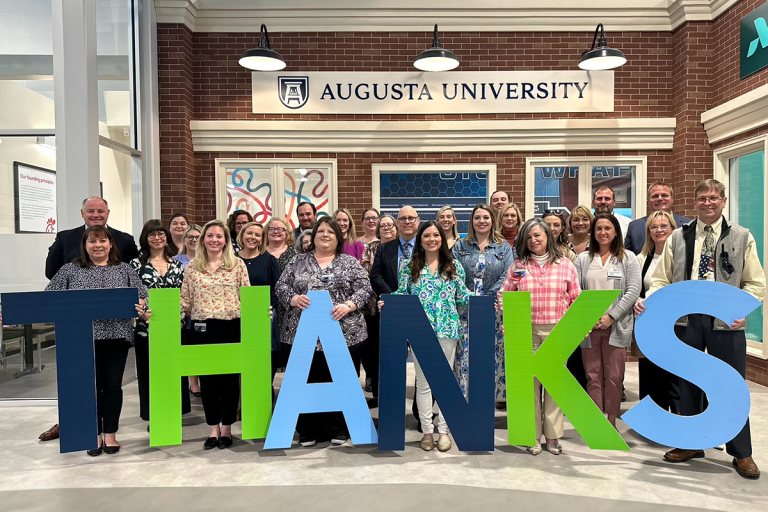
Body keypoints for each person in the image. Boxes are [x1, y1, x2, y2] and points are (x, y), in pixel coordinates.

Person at [637, 179, 766, 479]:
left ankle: (741, 452)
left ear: (723, 201)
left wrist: (740, 309)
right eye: (702, 199)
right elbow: (660, 279)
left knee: (730, 386)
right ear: (695, 202)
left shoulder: (742, 236)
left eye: (713, 198)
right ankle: (691, 443)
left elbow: (756, 283)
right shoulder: (678, 237)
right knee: (686, 384)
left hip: (724, 320)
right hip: (686, 318)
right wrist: (653, 303)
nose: (708, 203)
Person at [39, 196, 139, 443]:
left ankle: (111, 434)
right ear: (84, 244)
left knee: (113, 386)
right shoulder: (70, 270)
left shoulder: (125, 269)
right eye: (92, 241)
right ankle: (92, 434)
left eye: (102, 240)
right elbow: (48, 299)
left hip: (117, 336)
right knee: (89, 387)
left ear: (110, 244)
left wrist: (143, 307)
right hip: (82, 338)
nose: (97, 245)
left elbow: (142, 296)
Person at [276, 217, 373, 447]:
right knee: (308, 381)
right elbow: (281, 286)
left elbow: (365, 288)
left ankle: (338, 428)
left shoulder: (349, 262)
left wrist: (348, 305)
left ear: (338, 238)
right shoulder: (298, 261)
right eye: (321, 231)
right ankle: (307, 430)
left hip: (344, 333)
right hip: (302, 333)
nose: (326, 235)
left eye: (331, 231)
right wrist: (293, 298)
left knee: (340, 381)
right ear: (314, 236)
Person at [384, 221, 472, 452]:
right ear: (420, 240)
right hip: (420, 331)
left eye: (436, 235)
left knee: (445, 383)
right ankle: (427, 431)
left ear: (442, 239)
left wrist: (484, 299)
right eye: (427, 236)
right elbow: (402, 293)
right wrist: (387, 300)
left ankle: (444, 430)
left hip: (447, 331)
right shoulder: (410, 266)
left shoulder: (454, 266)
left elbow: (462, 297)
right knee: (423, 384)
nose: (432, 239)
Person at [498, 218, 580, 455]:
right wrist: (509, 321)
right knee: (529, 385)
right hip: (526, 331)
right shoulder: (517, 267)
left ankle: (552, 437)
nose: (533, 240)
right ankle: (531, 436)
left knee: (554, 387)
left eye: (538, 235)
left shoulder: (565, 265)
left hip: (557, 330)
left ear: (548, 237)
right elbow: (503, 296)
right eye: (529, 237)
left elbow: (576, 299)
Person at [179, 220, 251, 450]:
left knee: (229, 380)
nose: (214, 240)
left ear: (226, 241)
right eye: (209, 235)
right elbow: (184, 299)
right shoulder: (192, 267)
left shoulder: (238, 265)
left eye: (219, 236)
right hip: (202, 329)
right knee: (208, 381)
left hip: (231, 327)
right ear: (203, 240)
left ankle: (227, 428)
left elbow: (247, 296)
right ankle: (213, 428)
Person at [574, 213, 641, 429]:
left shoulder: (627, 257)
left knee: (613, 377)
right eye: (599, 229)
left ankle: (611, 420)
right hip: (589, 326)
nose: (603, 233)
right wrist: (588, 317)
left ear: (615, 232)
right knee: (592, 375)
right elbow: (576, 291)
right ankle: (596, 422)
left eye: (607, 229)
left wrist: (611, 316)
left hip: (616, 326)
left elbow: (632, 291)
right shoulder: (583, 259)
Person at [452, 204, 515, 405]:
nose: (482, 221)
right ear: (472, 221)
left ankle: (486, 402)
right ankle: (463, 399)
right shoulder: (460, 246)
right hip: (464, 308)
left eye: (486, 217)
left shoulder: (503, 247)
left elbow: (508, 274)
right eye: (477, 217)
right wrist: (468, 295)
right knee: (465, 355)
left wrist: (488, 296)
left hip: (492, 308)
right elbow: (452, 272)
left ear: (492, 221)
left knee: (490, 355)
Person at [130, 220, 191, 427]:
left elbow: (184, 295)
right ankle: (155, 416)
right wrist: (142, 315)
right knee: (150, 373)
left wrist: (181, 320)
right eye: (152, 234)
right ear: (145, 238)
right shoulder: (136, 265)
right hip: (147, 329)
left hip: (174, 328)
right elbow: (132, 297)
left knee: (173, 370)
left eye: (161, 234)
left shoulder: (177, 265)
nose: (157, 238)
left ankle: (174, 412)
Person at [371, 206, 425, 427]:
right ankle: (392, 417)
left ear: (418, 221)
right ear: (397, 223)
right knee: (392, 365)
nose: (407, 222)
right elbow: (375, 276)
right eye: (402, 218)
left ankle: (422, 415)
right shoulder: (385, 248)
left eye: (411, 218)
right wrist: (394, 297)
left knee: (423, 367)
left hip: (422, 312)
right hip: (393, 310)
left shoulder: (429, 246)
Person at [630, 211, 680, 414]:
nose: (659, 230)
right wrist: (637, 301)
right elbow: (633, 288)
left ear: (673, 229)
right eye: (654, 227)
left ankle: (680, 417)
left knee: (676, 374)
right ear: (648, 232)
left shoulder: (682, 256)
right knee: (651, 373)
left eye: (664, 226)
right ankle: (653, 419)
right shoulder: (642, 259)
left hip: (677, 325)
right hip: (650, 326)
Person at [45, 196, 139, 280]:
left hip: (116, 296)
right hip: (76, 297)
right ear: (82, 213)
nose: (96, 215)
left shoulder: (126, 240)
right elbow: (51, 272)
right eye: (90, 211)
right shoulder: (64, 238)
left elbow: (135, 273)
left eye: (100, 211)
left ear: (108, 213)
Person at [543, 210, 586, 389]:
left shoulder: (567, 253)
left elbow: (574, 286)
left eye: (556, 225)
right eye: (548, 224)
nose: (552, 228)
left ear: (562, 229)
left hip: (561, 314)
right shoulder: (531, 249)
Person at [236, 222, 281, 388]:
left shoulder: (269, 260)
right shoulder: (232, 260)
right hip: (237, 314)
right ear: (242, 235)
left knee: (264, 355)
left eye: (257, 235)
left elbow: (277, 290)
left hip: (263, 313)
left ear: (262, 239)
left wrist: (261, 307)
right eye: (249, 233)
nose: (253, 238)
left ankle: (263, 389)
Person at [359, 214, 397, 405]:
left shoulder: (404, 248)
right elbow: (367, 276)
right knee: (375, 351)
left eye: (391, 225)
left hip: (403, 306)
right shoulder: (371, 249)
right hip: (374, 307)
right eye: (383, 226)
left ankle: (394, 394)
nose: (387, 228)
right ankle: (378, 394)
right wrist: (389, 295)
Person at [174, 224, 203, 397]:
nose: (193, 240)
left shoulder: (207, 260)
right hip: (183, 311)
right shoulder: (175, 260)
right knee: (188, 346)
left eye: (197, 237)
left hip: (201, 310)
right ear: (184, 240)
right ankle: (193, 383)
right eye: (190, 237)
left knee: (200, 347)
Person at [624, 182, 691, 255]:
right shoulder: (634, 227)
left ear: (672, 199)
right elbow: (626, 259)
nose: (660, 199)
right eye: (655, 196)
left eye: (664, 195)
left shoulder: (688, 225)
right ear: (648, 200)